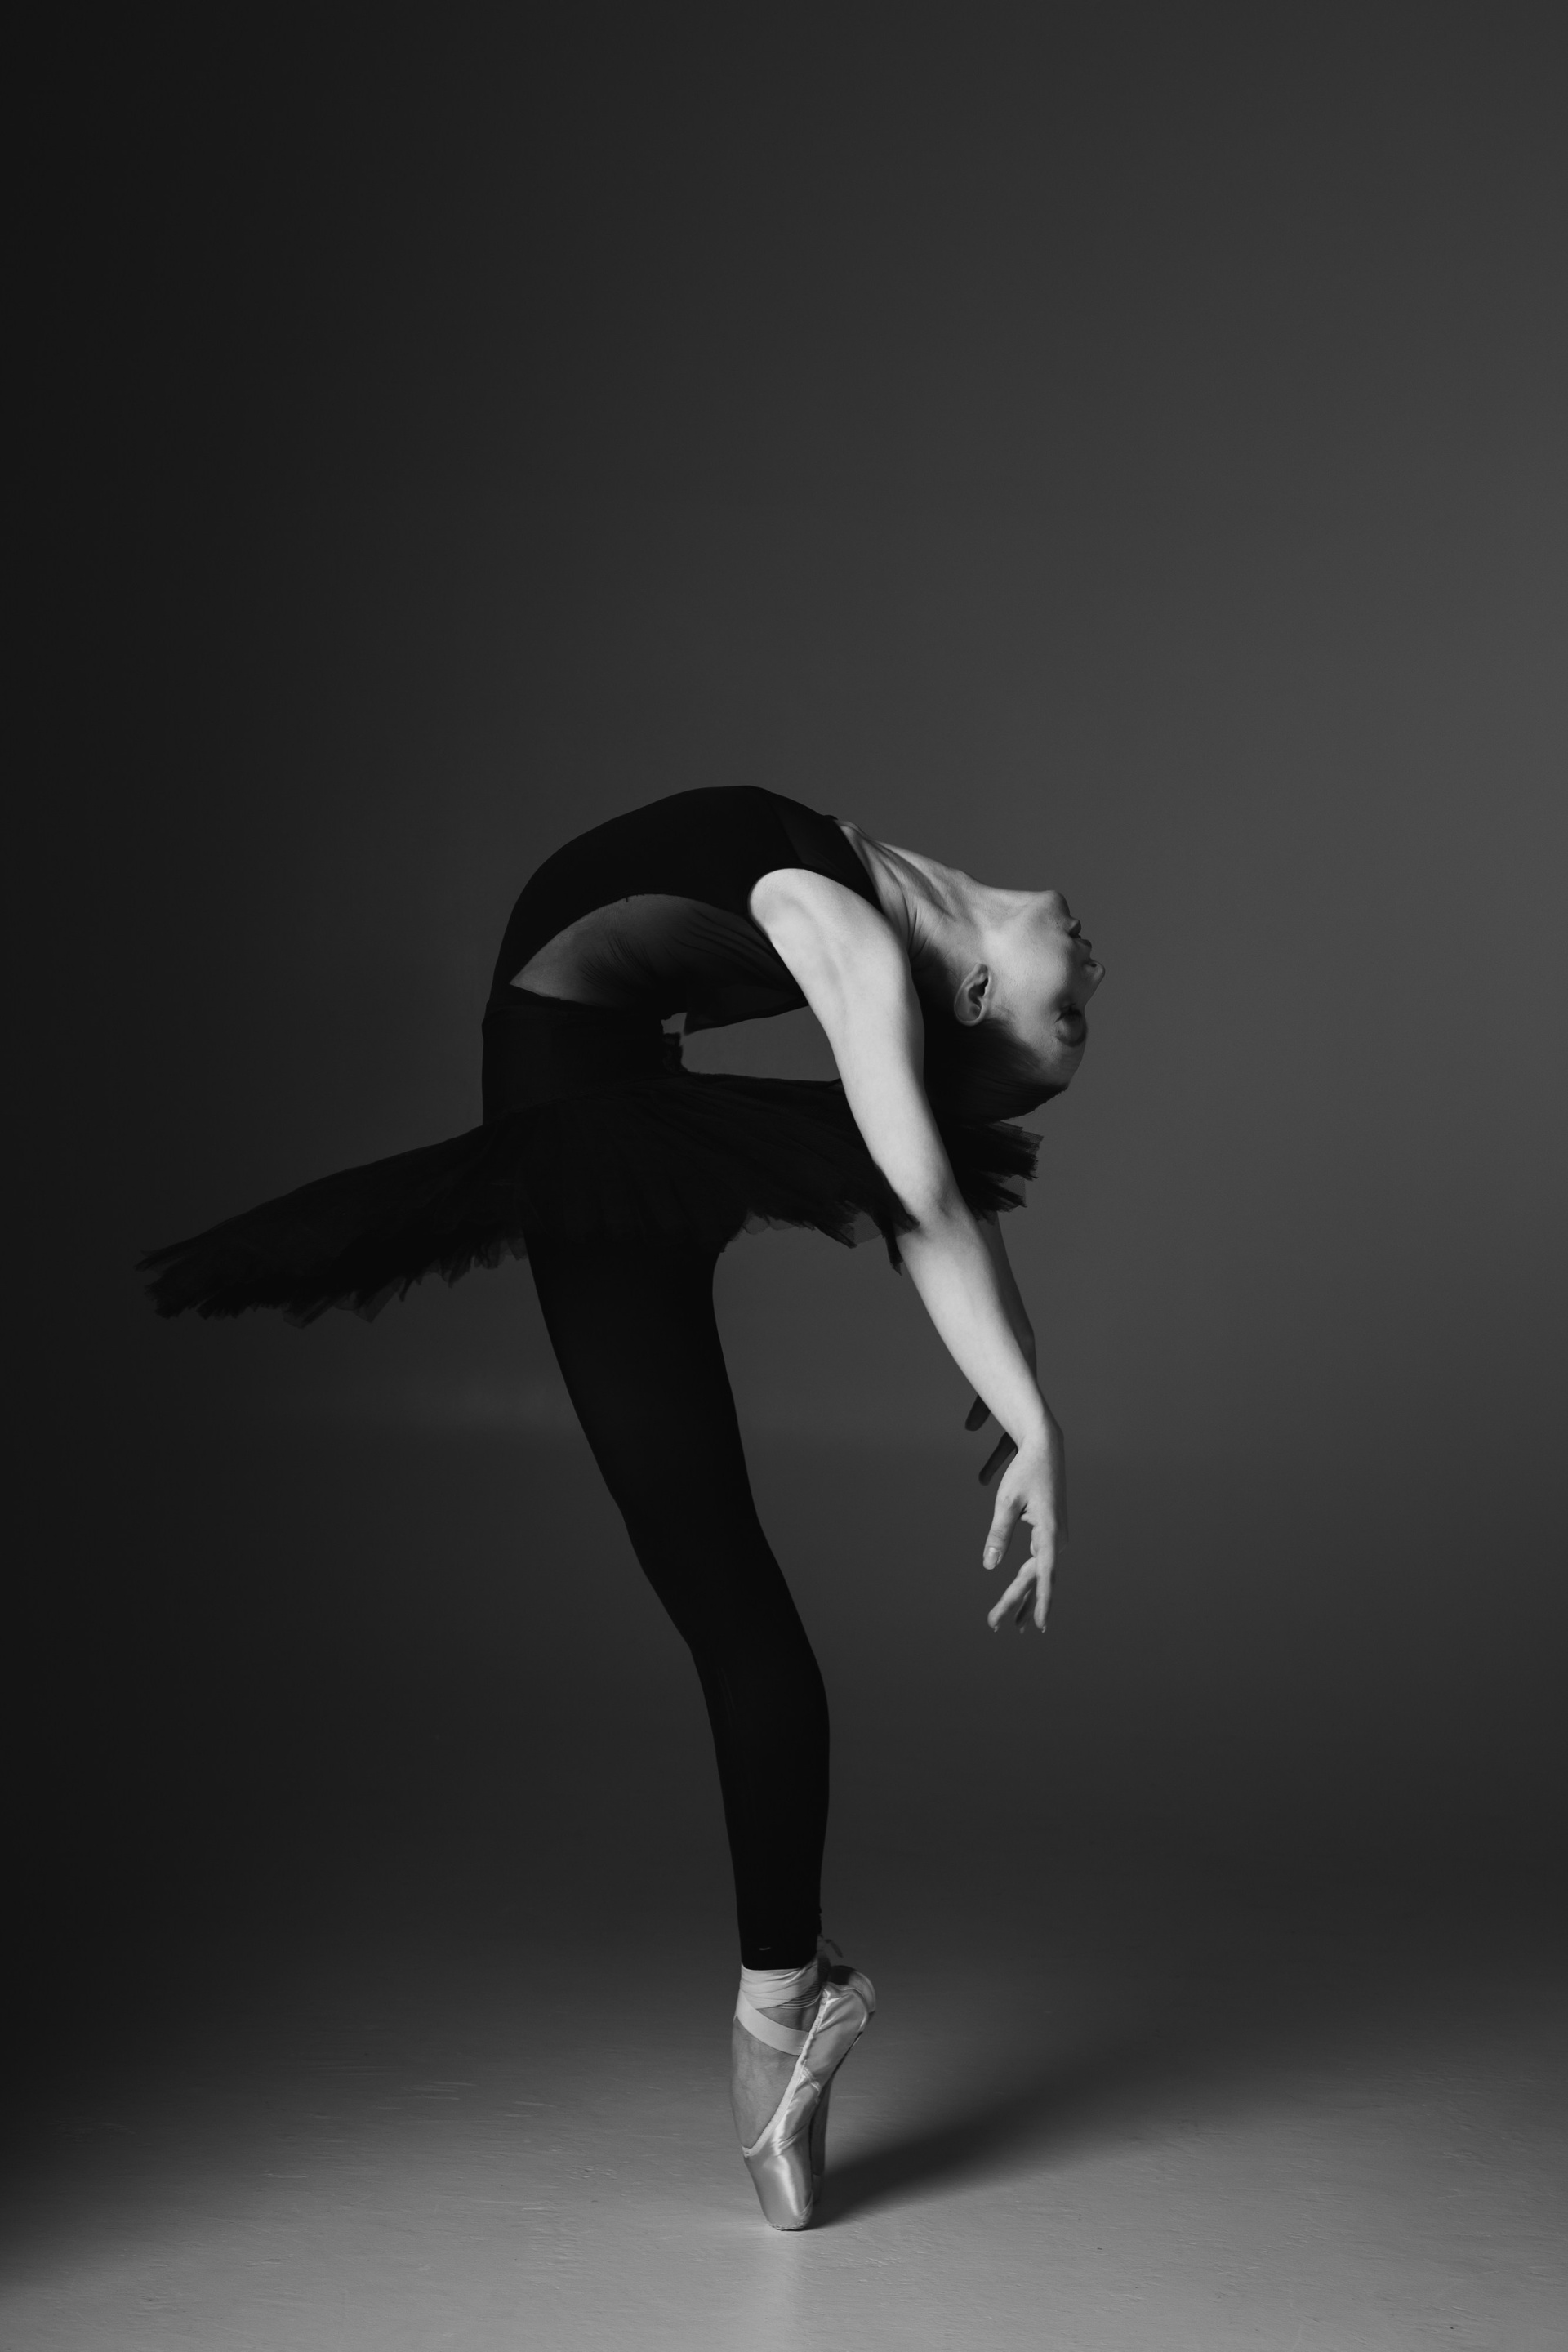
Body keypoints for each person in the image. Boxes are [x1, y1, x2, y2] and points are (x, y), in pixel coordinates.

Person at [140, 786, 1103, 2229]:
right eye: (1074, 1021)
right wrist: (1022, 1397)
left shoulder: (843, 927)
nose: (1095, 984)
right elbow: (924, 1181)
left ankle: (778, 2011)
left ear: (970, 996)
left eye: (1067, 1021)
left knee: (729, 1606)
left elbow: (925, 1190)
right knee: (721, 1590)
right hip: (604, 1099)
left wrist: (1031, 1405)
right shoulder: (864, 891)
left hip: (593, 1115)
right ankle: (789, 2004)